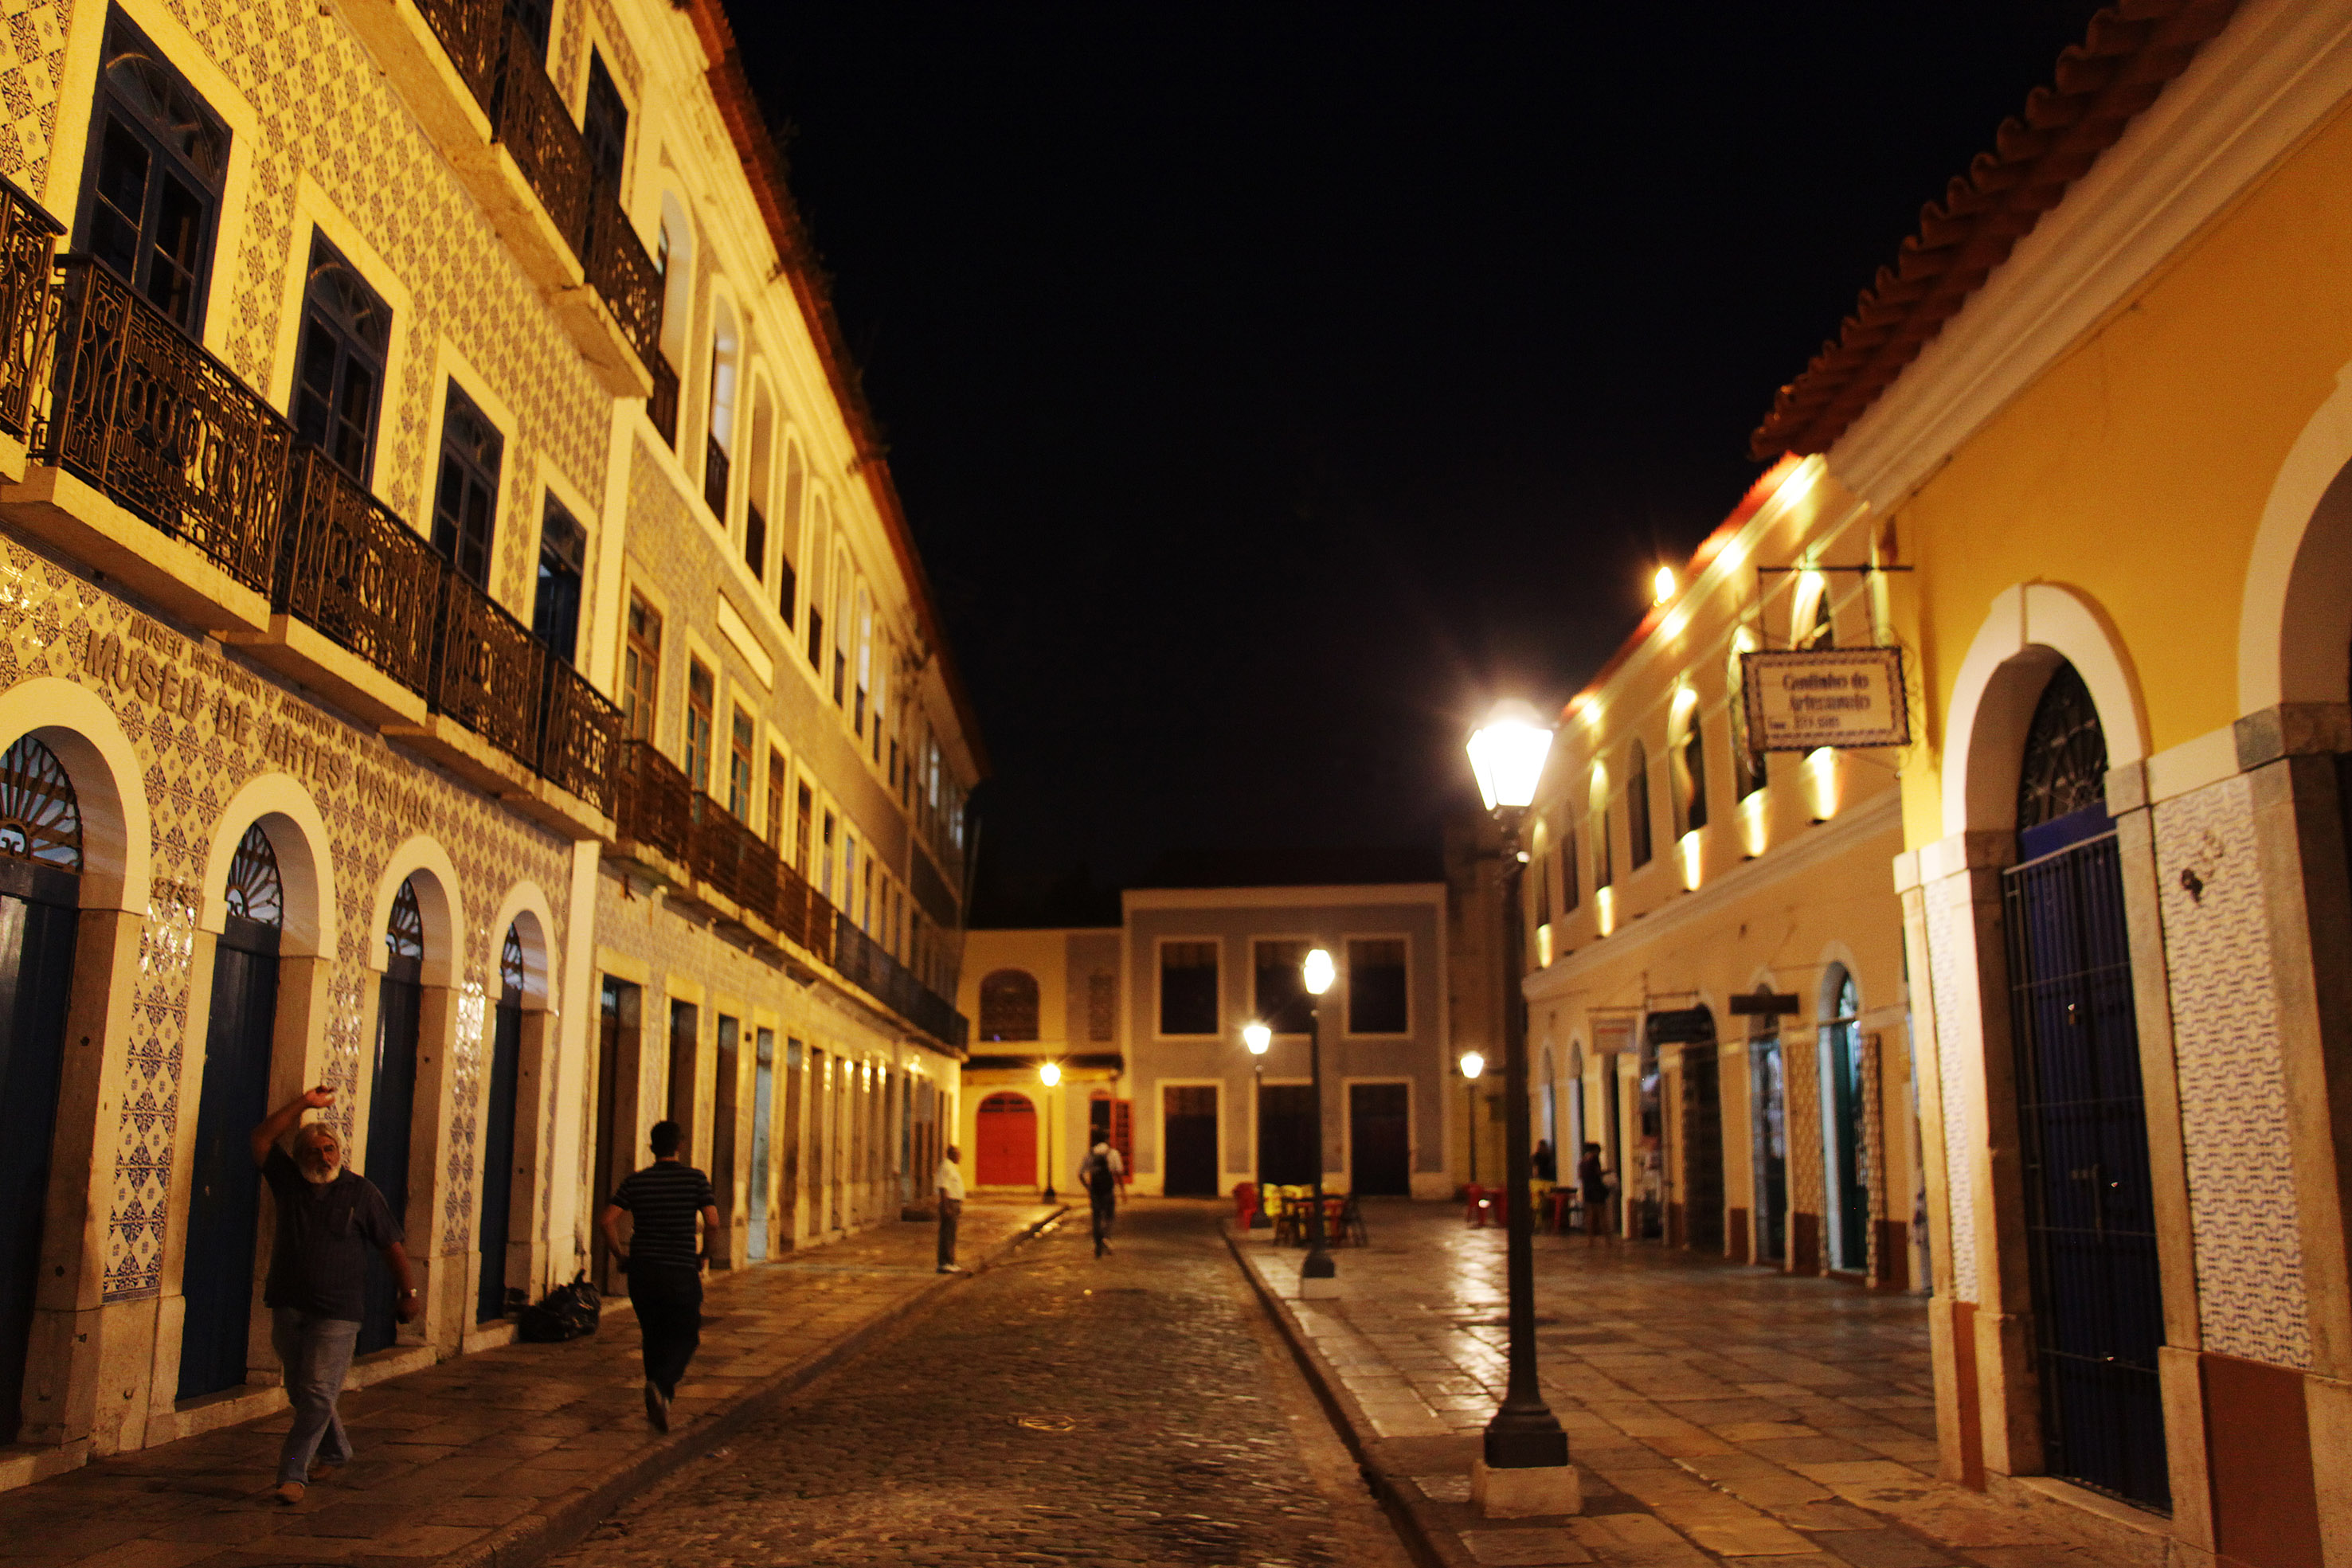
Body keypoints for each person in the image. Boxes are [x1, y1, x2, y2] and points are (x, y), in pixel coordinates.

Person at [248, 1085, 417, 1506]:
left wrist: (408, 1292)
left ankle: (292, 1473)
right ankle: (336, 1450)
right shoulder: (288, 1183)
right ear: (300, 1157)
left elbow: (391, 1246)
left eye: (329, 1150)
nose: (323, 1158)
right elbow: (262, 1139)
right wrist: (304, 1103)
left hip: (339, 1312)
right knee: (302, 1391)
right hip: (288, 1303)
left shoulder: (361, 1193)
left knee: (318, 1392)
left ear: (339, 1153)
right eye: (313, 1151)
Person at [600, 1120, 717, 1433]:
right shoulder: (695, 1179)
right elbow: (713, 1222)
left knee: (652, 1335)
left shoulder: (636, 1182)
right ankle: (662, 1386)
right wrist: (705, 1255)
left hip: (643, 1271)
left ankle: (660, 1401)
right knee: (687, 1333)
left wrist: (620, 1256)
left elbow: (607, 1220)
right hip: (680, 1270)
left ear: (652, 1147)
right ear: (679, 1146)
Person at [1078, 1140, 1122, 1257]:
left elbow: (1080, 1174)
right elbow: (1119, 1172)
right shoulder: (1113, 1153)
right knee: (1109, 1216)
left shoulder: (1090, 1154)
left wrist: (1088, 1187)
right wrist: (1123, 1191)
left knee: (1096, 1217)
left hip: (1095, 1190)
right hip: (1108, 1190)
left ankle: (1098, 1242)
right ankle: (1105, 1237)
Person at [934, 1143, 965, 1273]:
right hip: (950, 1203)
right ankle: (945, 1262)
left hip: (955, 1203)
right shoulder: (946, 1167)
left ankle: (951, 1261)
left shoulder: (952, 1167)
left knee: (951, 1233)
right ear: (951, 1155)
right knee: (947, 1234)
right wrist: (946, 1206)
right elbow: (943, 1188)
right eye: (958, 1154)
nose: (960, 1157)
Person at [1577, 1142, 1614, 1245]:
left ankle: (1590, 1240)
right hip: (1596, 1188)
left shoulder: (1583, 1160)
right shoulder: (1594, 1159)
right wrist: (1608, 1172)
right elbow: (1598, 1172)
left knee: (1590, 1215)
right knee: (1602, 1213)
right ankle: (1608, 1239)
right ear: (1596, 1150)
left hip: (1587, 1188)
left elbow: (1580, 1175)